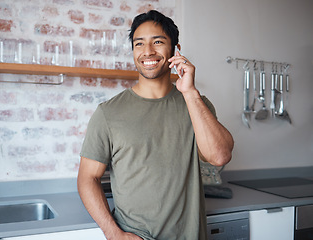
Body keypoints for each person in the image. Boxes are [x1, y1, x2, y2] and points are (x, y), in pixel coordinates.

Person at [77, 10, 234, 240]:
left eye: (158, 42)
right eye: (139, 44)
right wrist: (114, 234)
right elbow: (87, 178)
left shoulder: (196, 104)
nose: (147, 51)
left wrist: (189, 92)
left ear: (175, 49)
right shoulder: (108, 113)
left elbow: (219, 156)